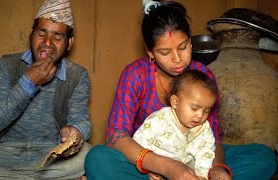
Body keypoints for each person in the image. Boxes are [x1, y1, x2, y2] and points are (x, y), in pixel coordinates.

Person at [85, 0, 277, 180]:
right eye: (165, 52)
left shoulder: (203, 75)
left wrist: (216, 168)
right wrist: (168, 167)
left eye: (183, 47)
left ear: (191, 42)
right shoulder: (136, 74)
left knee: (264, 157)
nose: (177, 59)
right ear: (150, 52)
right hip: (149, 164)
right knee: (98, 158)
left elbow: (213, 137)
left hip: (195, 158)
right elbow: (116, 136)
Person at [0, 0, 91, 179]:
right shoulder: (7, 65)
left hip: (49, 155)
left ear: (69, 43)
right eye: (41, 33)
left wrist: (75, 131)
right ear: (31, 34)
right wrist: (28, 82)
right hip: (4, 154)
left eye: (57, 37)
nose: (47, 43)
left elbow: (81, 120)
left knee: (88, 155)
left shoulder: (77, 75)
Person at [133, 70, 220, 180]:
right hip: (158, 172)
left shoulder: (204, 128)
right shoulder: (159, 120)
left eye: (207, 110)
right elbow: (139, 141)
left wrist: (202, 175)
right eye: (194, 108)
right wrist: (150, 167)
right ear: (175, 102)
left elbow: (206, 152)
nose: (200, 115)